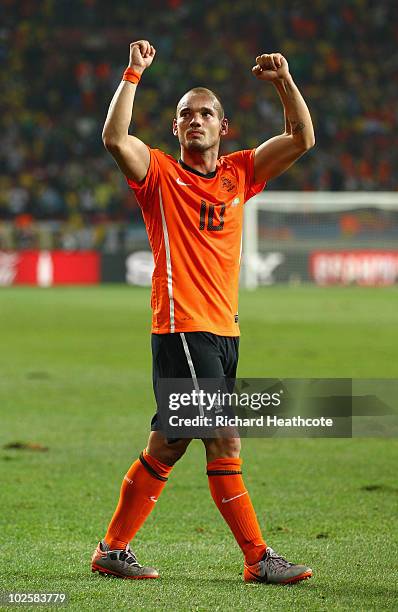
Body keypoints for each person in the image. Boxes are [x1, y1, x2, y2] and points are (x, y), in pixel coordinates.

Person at [91, 39, 315, 584]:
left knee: (169, 444)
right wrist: (134, 73)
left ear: (224, 127)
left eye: (206, 113)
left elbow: (302, 139)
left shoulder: (241, 173)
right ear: (174, 129)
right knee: (224, 436)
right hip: (183, 327)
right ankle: (258, 557)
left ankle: (111, 550)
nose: (196, 120)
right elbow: (115, 138)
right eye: (186, 114)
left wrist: (285, 81)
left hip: (223, 332)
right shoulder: (160, 176)